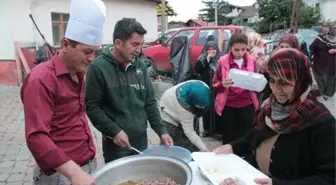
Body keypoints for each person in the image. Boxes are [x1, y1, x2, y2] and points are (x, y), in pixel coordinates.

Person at [215, 48, 336, 185]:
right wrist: (232, 147)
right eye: (272, 80)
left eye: (284, 82)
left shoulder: (321, 123)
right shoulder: (270, 107)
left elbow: (330, 178)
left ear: (301, 80)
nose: (276, 89)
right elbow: (256, 135)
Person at [21, 0, 106, 184]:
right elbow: (36, 137)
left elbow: (76, 118)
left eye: (96, 53)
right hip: (61, 174)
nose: (92, 59)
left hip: (86, 166)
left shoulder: (79, 71)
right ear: (66, 44)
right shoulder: (41, 79)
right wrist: (74, 173)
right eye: (87, 52)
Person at [85, 18, 173, 163]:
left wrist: (161, 131)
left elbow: (150, 102)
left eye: (141, 45)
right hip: (116, 143)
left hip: (141, 139)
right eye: (135, 44)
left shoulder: (141, 67)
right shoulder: (98, 68)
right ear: (118, 43)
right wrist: (114, 131)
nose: (139, 50)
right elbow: (92, 107)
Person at [212, 33, 259, 144]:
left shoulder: (252, 61)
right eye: (236, 50)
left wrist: (256, 82)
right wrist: (222, 84)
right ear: (230, 48)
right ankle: (228, 159)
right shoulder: (222, 61)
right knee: (228, 137)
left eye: (243, 49)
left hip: (247, 104)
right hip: (228, 105)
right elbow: (214, 83)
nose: (240, 53)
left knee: (246, 138)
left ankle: (244, 159)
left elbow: (257, 80)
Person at [160, 80, 210, 152]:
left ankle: (193, 156)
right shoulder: (184, 105)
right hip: (169, 111)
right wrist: (206, 150)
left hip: (187, 104)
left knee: (194, 144)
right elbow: (189, 131)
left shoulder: (204, 87)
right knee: (177, 147)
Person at [195, 40, 219, 137]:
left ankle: (217, 131)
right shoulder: (202, 58)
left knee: (217, 109)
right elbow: (197, 70)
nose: (211, 51)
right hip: (206, 86)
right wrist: (207, 60)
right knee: (207, 108)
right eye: (209, 50)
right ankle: (207, 130)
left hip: (217, 89)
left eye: (213, 49)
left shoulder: (220, 59)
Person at [310, 25, 336, 100]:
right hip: (319, 63)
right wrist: (311, 57)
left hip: (332, 66)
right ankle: (321, 94)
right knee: (319, 79)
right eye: (331, 31)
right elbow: (312, 48)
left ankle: (327, 94)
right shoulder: (319, 39)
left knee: (330, 82)